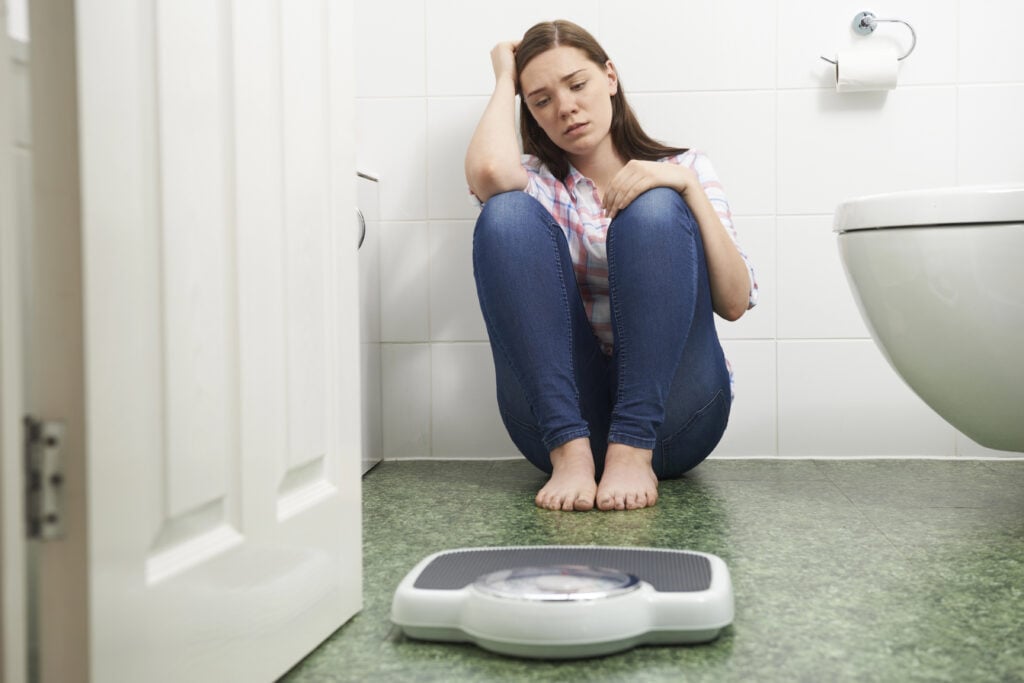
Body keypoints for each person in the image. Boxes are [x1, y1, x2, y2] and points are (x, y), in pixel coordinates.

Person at [466, 20, 758, 512]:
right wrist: (502, 78)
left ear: (610, 78)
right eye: (540, 100)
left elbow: (733, 302)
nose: (565, 108)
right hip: (559, 431)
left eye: (577, 85)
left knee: (657, 206)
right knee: (504, 212)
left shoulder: (683, 166)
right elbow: (492, 173)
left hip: (672, 421)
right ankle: (571, 453)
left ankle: (632, 448)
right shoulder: (533, 183)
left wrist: (683, 184)